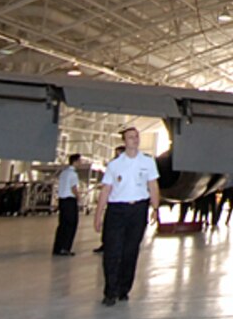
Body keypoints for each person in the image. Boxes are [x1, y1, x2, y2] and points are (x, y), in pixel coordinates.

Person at [93, 126, 160, 306]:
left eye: (137, 137)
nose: (135, 140)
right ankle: (110, 291)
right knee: (112, 251)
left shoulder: (147, 162)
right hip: (117, 210)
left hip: (138, 210)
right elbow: (106, 189)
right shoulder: (115, 165)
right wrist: (98, 215)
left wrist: (156, 207)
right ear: (124, 141)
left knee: (130, 251)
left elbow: (153, 185)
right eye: (131, 137)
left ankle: (124, 289)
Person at [51, 153, 82, 255]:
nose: (80, 163)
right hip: (70, 201)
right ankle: (65, 247)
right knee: (71, 225)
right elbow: (74, 188)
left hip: (62, 200)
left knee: (62, 225)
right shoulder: (73, 174)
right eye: (79, 161)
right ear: (75, 161)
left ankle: (57, 248)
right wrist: (79, 198)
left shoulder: (63, 172)